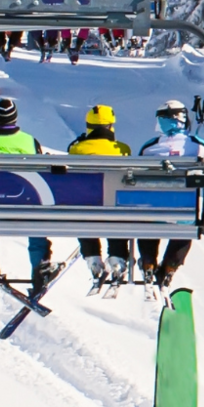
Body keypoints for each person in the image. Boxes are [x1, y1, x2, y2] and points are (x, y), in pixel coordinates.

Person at [0, 98, 53, 285]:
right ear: (15, 118)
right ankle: (40, 265)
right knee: (37, 220)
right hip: (26, 202)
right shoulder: (30, 142)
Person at [135, 99, 204, 287]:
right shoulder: (197, 146)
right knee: (186, 225)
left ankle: (148, 261)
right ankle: (171, 265)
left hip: (151, 213)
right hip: (184, 213)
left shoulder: (150, 148)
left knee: (148, 222)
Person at [68, 105, 134, 291]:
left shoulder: (78, 149)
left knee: (82, 212)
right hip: (114, 207)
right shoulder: (122, 149)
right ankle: (117, 257)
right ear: (110, 125)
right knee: (117, 213)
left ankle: (92, 257)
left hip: (87, 206)